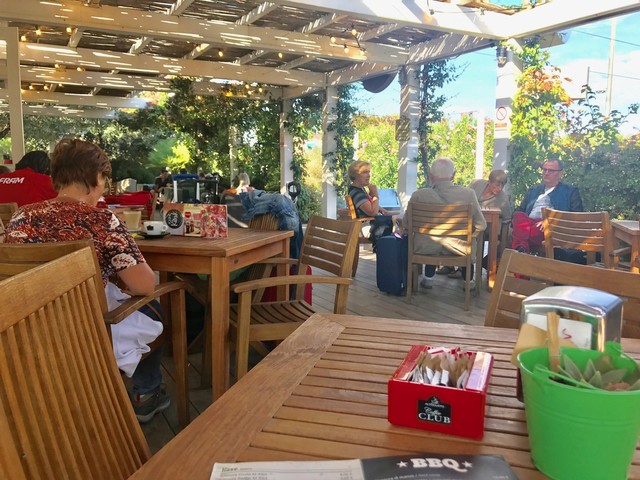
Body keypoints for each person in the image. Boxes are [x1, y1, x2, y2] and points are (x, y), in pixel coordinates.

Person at [6, 138, 170, 424]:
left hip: (30, 333)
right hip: (85, 332)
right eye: (104, 180)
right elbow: (144, 285)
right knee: (154, 308)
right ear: (95, 178)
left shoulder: (20, 217)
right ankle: (146, 393)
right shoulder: (102, 220)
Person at [403, 157, 486, 289]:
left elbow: (406, 223)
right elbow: (481, 225)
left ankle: (428, 279)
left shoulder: (418, 195)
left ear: (431, 176)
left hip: (425, 248)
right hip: (459, 249)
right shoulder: (468, 194)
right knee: (469, 239)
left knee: (433, 239)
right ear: (453, 175)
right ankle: (468, 282)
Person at [443, 169, 512, 277]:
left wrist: (501, 239)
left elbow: (507, 219)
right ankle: (449, 265)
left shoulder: (503, 199)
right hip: (465, 220)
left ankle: (464, 268)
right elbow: (464, 196)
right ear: (489, 182)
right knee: (450, 228)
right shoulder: (477, 184)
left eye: (502, 186)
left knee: (470, 233)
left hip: (485, 226)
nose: (499, 189)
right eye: (497, 185)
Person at [511, 158, 583, 254]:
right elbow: (520, 210)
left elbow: (577, 216)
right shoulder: (533, 190)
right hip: (528, 224)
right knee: (519, 216)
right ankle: (521, 248)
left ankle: (520, 249)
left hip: (550, 228)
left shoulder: (570, 191)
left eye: (551, 171)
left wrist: (550, 221)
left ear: (560, 174)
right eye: (544, 170)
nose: (546, 173)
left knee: (521, 232)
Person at [347, 160, 394, 251]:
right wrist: (375, 194)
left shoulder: (359, 190)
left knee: (401, 220)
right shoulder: (356, 193)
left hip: (372, 223)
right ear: (355, 175)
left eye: (369, 172)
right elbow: (373, 212)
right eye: (365, 172)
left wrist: (392, 213)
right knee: (405, 231)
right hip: (368, 226)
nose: (369, 175)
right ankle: (390, 255)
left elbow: (379, 210)